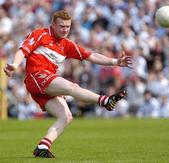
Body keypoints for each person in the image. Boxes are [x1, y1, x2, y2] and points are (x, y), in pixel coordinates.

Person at [4, 10, 132, 158]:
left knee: (66, 116)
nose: (65, 30)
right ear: (53, 25)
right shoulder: (40, 34)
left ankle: (43, 146)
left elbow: (91, 56)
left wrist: (115, 62)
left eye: (68, 26)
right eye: (61, 26)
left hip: (44, 84)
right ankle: (105, 101)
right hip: (37, 77)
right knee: (72, 87)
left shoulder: (67, 45)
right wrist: (15, 64)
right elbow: (23, 50)